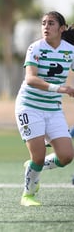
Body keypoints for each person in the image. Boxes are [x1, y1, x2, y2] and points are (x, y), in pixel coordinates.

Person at [15, 11, 74, 207]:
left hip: (53, 109)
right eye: (43, 23)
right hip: (29, 107)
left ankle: (34, 167)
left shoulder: (70, 50)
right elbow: (30, 79)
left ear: (62, 28)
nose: (46, 27)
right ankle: (28, 195)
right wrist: (61, 88)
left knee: (66, 156)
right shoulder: (35, 48)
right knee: (38, 156)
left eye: (51, 23)